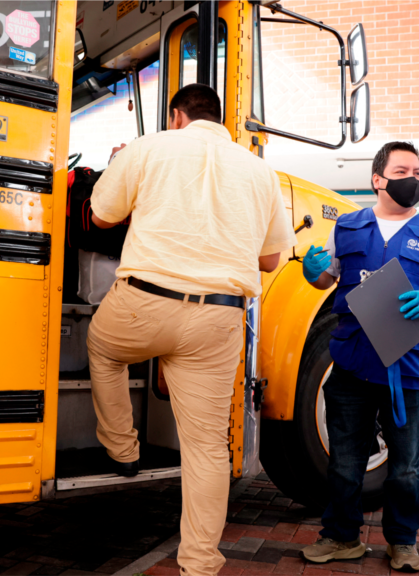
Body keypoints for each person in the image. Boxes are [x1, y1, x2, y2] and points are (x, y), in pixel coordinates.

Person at [85, 84, 296, 576]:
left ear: (178, 116)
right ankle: (199, 565)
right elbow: (269, 259)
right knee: (206, 447)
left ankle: (123, 448)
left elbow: (100, 215)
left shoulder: (148, 147)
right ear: (219, 120)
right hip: (218, 318)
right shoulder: (259, 171)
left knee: (102, 347)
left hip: (143, 303)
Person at [300, 142, 419, 573]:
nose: (413, 179)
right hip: (351, 363)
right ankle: (341, 537)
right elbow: (326, 278)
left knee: (404, 469)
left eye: (418, 172)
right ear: (378, 179)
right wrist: (314, 272)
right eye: (403, 170)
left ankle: (402, 542)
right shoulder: (346, 227)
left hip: (408, 367)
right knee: (345, 462)